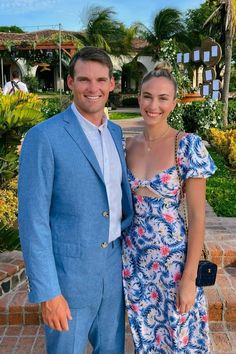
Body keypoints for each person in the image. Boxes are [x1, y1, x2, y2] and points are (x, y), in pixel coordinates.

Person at [18, 46, 133, 354]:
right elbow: (33, 221)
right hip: (67, 280)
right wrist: (48, 292)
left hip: (113, 272)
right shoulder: (43, 137)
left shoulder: (116, 133)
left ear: (111, 83)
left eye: (100, 80)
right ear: (70, 82)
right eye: (84, 79)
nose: (92, 88)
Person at [122, 62, 216, 353]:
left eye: (163, 98)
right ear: (139, 98)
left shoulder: (187, 146)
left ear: (174, 103)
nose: (154, 105)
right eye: (148, 96)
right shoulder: (126, 146)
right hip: (135, 263)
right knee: (146, 338)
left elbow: (198, 218)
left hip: (174, 264)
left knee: (180, 338)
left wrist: (189, 279)